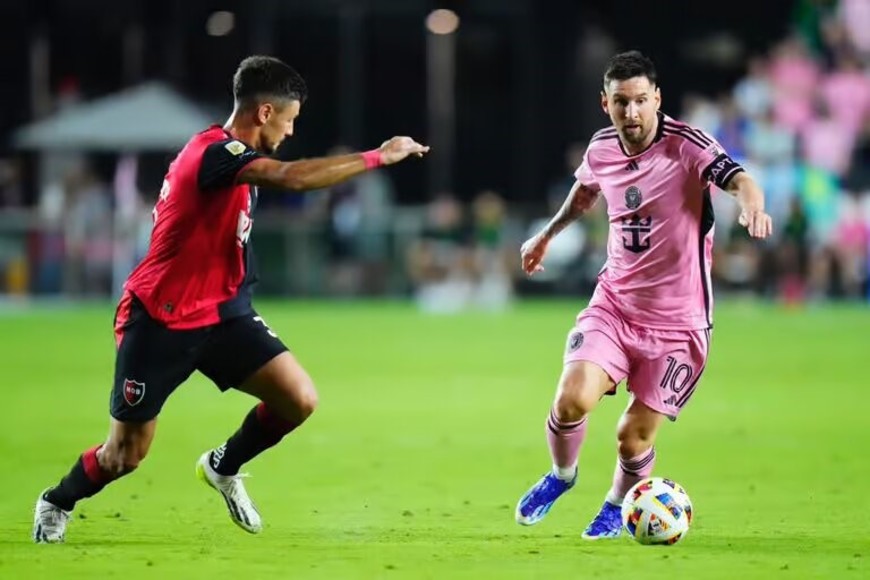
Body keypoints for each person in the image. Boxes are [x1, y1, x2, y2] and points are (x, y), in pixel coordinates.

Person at [33, 55, 429, 543]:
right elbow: (292, 177)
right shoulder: (214, 154)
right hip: (161, 319)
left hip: (223, 314)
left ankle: (223, 466)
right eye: (290, 119)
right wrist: (377, 157)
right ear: (265, 112)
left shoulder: (234, 156)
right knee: (124, 456)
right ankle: (57, 501)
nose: (290, 131)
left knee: (298, 399)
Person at [514, 51, 772, 539]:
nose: (630, 112)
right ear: (605, 103)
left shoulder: (688, 145)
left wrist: (752, 206)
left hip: (680, 324)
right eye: (620, 102)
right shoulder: (601, 148)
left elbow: (739, 179)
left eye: (639, 101)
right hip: (615, 304)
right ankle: (562, 475)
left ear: (656, 98)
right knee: (571, 399)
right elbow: (586, 191)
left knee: (631, 438)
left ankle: (617, 505)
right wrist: (546, 235)